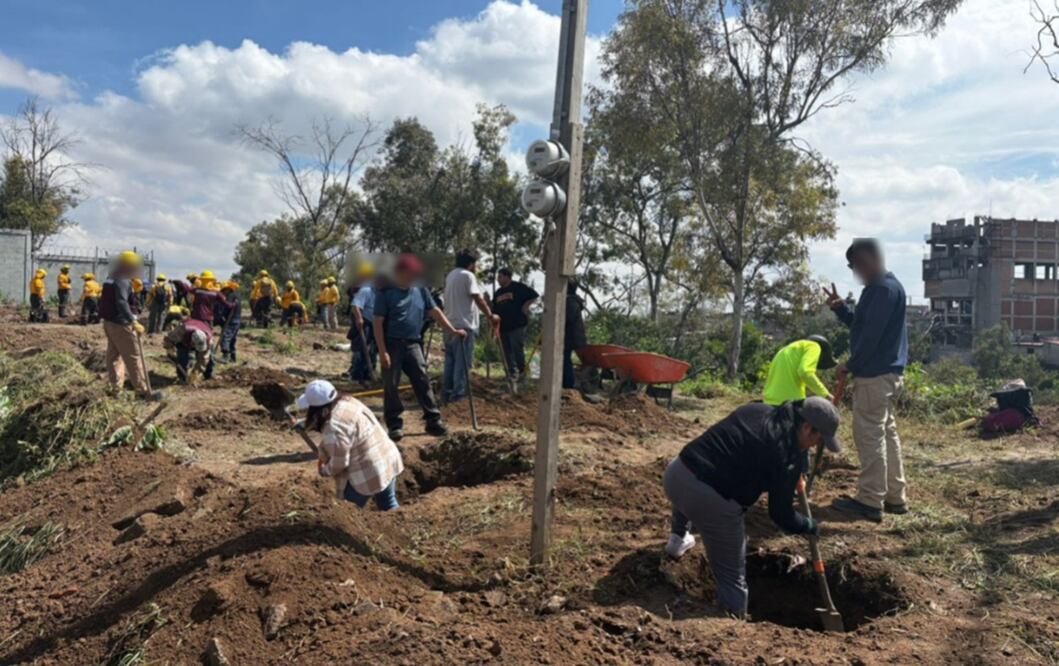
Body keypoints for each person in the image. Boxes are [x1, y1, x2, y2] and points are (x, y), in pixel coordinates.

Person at [663, 398, 841, 618]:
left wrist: (798, 456)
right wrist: (807, 524)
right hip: (706, 502)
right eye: (818, 438)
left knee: (700, 475)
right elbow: (780, 514)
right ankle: (733, 620)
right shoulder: (785, 458)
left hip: (675, 475)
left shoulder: (758, 409)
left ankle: (677, 539)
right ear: (806, 427)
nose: (816, 445)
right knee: (733, 578)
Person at [824, 238, 909, 523]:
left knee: (869, 434)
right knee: (886, 433)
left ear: (867, 260)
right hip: (888, 374)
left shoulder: (882, 290)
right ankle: (895, 497)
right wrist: (840, 309)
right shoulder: (885, 288)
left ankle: (870, 500)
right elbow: (862, 325)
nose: (855, 271)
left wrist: (850, 364)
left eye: (855, 265)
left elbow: (870, 338)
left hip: (875, 375)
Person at [373, 253, 465, 441]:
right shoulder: (385, 293)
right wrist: (382, 352)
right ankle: (394, 424)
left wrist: (453, 330)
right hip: (392, 344)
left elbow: (435, 311)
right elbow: (377, 323)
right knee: (391, 384)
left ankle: (433, 420)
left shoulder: (420, 290)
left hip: (413, 343)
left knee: (422, 379)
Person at [296, 379, 403, 511]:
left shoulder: (333, 426)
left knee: (347, 513)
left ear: (316, 409)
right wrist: (306, 423)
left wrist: (325, 471)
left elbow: (340, 463)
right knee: (388, 504)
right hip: (386, 457)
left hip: (368, 471)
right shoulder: (348, 401)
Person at [99, 251, 159, 400]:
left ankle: (115, 388)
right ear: (127, 265)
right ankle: (143, 392)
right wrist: (132, 321)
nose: (135, 269)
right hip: (121, 323)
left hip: (109, 322)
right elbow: (121, 302)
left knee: (114, 356)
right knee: (133, 356)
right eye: (133, 266)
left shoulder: (111, 278)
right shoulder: (122, 280)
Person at [441, 249, 499, 403]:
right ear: (471, 264)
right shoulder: (468, 276)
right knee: (462, 364)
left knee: (450, 363)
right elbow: (478, 298)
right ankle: (457, 398)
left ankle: (446, 395)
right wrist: (489, 315)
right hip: (464, 326)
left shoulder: (451, 275)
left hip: (450, 325)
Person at [762, 335, 837, 406]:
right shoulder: (814, 346)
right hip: (790, 404)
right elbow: (805, 372)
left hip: (769, 402)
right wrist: (826, 394)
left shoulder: (785, 350)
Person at [493, 268, 539, 382]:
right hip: (503, 327)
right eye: (498, 277)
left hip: (517, 324)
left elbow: (534, 295)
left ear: (507, 277)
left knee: (517, 348)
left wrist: (526, 306)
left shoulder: (518, 287)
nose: (498, 280)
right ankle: (511, 374)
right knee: (506, 351)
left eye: (500, 277)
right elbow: (493, 308)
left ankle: (522, 373)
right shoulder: (498, 292)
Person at [348, 272, 379, 385]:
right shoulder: (366, 290)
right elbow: (355, 306)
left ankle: (369, 373)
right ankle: (357, 375)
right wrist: (359, 319)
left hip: (376, 325)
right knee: (361, 349)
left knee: (372, 350)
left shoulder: (381, 292)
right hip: (365, 323)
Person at [164, 317, 215, 383]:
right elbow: (169, 338)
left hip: (200, 332)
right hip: (184, 341)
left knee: (209, 359)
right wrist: (169, 348)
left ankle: (208, 376)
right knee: (182, 357)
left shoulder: (208, 339)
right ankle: (182, 377)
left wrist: (196, 372)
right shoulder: (182, 330)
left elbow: (204, 358)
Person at [563, 281, 587, 389]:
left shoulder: (570, 302)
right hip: (570, 336)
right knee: (565, 359)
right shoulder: (571, 301)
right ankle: (566, 383)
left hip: (570, 337)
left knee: (565, 360)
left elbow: (568, 318)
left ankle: (569, 384)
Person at [218, 280, 242, 363]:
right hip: (237, 319)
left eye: (224, 291)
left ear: (228, 289)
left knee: (225, 337)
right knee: (232, 339)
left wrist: (222, 316)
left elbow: (227, 307)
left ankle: (225, 356)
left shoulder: (231, 296)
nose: (223, 293)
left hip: (232, 320)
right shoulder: (237, 295)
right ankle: (233, 357)